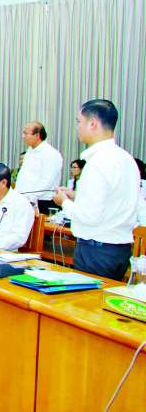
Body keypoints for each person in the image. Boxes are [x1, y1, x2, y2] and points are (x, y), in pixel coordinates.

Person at [54, 99, 139, 280]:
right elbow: (114, 199)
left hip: (96, 250)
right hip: (119, 249)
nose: (77, 127)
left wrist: (64, 202)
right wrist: (76, 196)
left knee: (86, 298)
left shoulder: (97, 162)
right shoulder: (126, 159)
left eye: (79, 122)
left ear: (92, 124)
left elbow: (89, 216)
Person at [15, 122, 63, 212]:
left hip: (41, 202)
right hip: (25, 200)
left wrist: (32, 198)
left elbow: (47, 180)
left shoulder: (50, 153)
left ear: (37, 135)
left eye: (26, 133)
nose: (23, 136)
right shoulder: (30, 151)